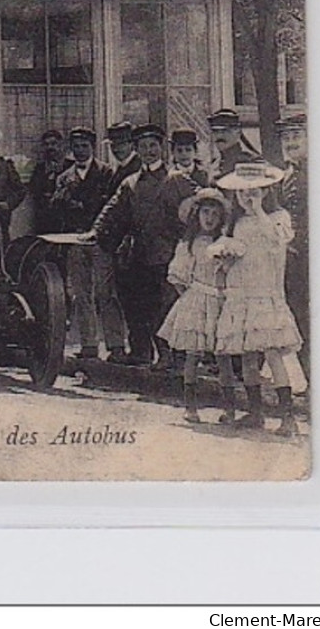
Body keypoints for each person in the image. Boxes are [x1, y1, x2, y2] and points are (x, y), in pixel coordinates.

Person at [90, 124, 199, 368]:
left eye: (153, 145)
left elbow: (200, 205)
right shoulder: (130, 182)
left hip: (167, 254)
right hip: (138, 254)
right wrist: (96, 231)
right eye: (142, 146)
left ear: (162, 148)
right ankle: (141, 352)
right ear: (136, 150)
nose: (148, 150)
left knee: (166, 307)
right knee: (137, 305)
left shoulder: (177, 180)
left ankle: (171, 355)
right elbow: (112, 210)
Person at [216, 162, 304, 434]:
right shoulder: (236, 222)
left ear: (265, 191)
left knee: (272, 352)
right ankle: (255, 412)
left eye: (253, 191)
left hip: (265, 293)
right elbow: (237, 253)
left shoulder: (278, 217)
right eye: (242, 192)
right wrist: (225, 261)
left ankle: (287, 416)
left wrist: (259, 212)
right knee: (247, 357)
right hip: (242, 294)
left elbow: (277, 242)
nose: (247, 196)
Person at [158, 188, 237, 423]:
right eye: (205, 212)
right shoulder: (189, 244)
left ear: (221, 217)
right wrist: (189, 297)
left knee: (223, 355)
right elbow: (178, 275)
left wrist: (226, 268)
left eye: (214, 213)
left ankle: (229, 409)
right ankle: (190, 407)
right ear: (197, 215)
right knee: (193, 354)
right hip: (196, 300)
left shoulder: (225, 243)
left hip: (221, 300)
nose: (209, 218)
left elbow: (232, 274)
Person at [49, 127, 125, 361]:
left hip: (100, 241)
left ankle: (115, 344)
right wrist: (61, 200)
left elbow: (112, 206)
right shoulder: (64, 177)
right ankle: (89, 344)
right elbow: (55, 210)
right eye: (76, 146)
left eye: (85, 146)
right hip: (74, 240)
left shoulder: (107, 173)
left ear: (93, 147)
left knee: (106, 292)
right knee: (81, 294)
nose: (80, 151)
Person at [278, 113, 309, 368]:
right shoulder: (285, 173)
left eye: (296, 136)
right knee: (299, 312)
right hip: (293, 254)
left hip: (314, 255)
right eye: (286, 137)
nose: (291, 142)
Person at [29, 129, 70, 234]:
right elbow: (34, 190)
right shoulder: (39, 169)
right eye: (46, 144)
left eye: (54, 144)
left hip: (67, 218)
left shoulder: (71, 166)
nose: (50, 147)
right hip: (44, 219)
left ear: (62, 145)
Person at [207, 108, 258, 182]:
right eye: (215, 131)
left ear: (238, 132)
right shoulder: (214, 164)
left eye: (225, 131)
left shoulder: (250, 161)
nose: (219, 136)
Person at [106, 121, 141, 186]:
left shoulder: (137, 167)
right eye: (112, 145)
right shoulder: (121, 167)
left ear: (132, 144)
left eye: (120, 144)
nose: (115, 149)